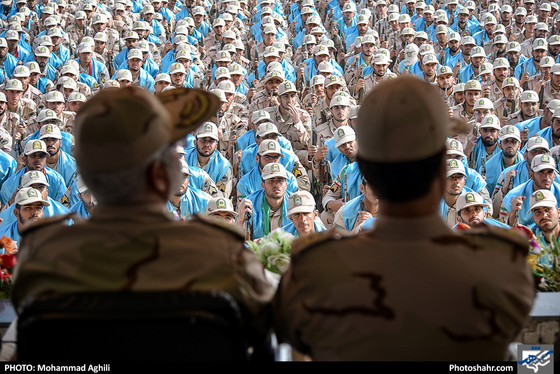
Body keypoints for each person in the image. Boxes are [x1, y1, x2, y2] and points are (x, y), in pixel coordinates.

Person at [272, 76, 535, 361]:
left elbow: (291, 340)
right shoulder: (502, 265)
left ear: (366, 174)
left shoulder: (315, 271)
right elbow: (530, 360)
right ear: (440, 172)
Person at [11, 87, 275, 341]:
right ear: (167, 176)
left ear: (86, 177)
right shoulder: (221, 257)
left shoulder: (44, 262)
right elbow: (270, 330)